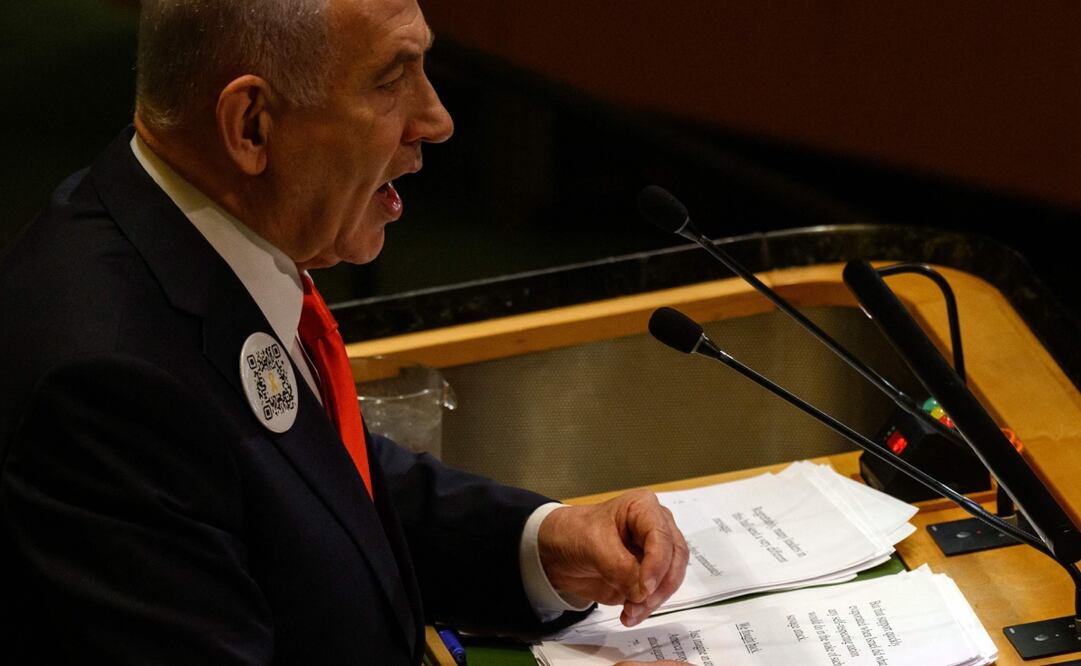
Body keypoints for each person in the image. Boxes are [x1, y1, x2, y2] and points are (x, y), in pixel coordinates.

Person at [0, 0, 690, 663]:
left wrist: (540, 545)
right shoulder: (105, 389)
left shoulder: (181, 233)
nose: (437, 119)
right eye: (391, 80)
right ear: (252, 126)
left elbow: (312, 492)